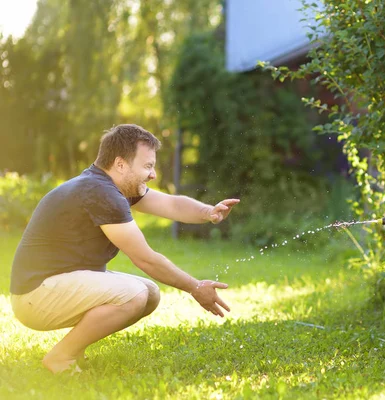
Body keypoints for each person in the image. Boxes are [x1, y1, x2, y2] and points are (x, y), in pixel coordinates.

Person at [10, 124, 240, 374]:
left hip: (53, 287)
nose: (152, 174)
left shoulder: (111, 186)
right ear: (120, 164)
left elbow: (172, 205)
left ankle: (73, 351)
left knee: (149, 293)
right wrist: (195, 287)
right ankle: (61, 357)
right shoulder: (101, 193)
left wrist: (208, 212)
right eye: (147, 166)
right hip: (34, 295)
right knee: (134, 295)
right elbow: (146, 259)